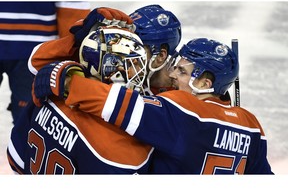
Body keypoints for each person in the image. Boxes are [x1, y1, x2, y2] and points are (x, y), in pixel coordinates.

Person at [33, 37, 273, 174]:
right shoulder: (251, 125)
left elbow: (115, 103)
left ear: (205, 83)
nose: (172, 76)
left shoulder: (183, 110)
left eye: (182, 71)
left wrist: (68, 82)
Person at [7, 24, 153, 174]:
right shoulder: (118, 145)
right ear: (111, 68)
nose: (139, 72)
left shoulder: (51, 92)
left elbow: (15, 155)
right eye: (133, 64)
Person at [0, 1, 90, 124]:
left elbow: (72, 5)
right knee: (28, 115)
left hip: (35, 52)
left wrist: (72, 50)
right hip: (35, 47)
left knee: (29, 116)